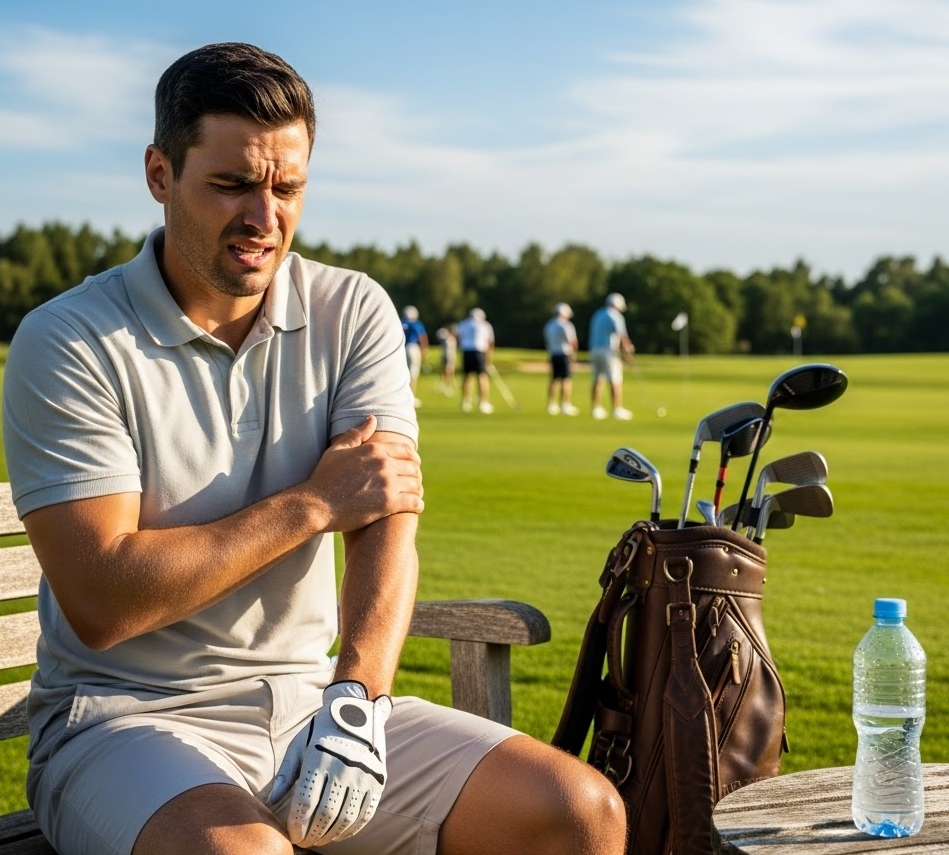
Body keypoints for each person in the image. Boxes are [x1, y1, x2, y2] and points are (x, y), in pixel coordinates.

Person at [1, 43, 625, 855]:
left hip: (313, 705)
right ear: (160, 174)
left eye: (287, 187)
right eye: (230, 185)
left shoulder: (352, 306)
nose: (265, 219)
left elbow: (387, 514)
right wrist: (313, 502)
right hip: (122, 721)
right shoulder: (70, 339)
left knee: (579, 812)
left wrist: (357, 697)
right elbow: (105, 600)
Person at [589, 292, 635, 420]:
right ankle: (617, 409)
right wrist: (628, 351)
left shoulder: (598, 314)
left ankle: (596, 408)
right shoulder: (616, 316)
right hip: (609, 351)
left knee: (598, 379)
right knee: (615, 380)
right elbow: (622, 336)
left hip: (595, 350)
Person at [542, 302, 580, 416]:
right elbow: (572, 341)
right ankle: (565, 405)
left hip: (553, 354)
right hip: (564, 354)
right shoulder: (566, 325)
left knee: (554, 379)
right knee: (566, 380)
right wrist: (575, 353)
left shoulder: (549, 325)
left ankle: (551, 404)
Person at [456, 307, 496, 414]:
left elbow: (458, 338)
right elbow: (490, 343)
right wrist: (489, 359)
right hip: (479, 352)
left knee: (467, 377)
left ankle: (466, 402)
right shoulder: (485, 325)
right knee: (482, 377)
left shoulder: (463, 324)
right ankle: (483, 403)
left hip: (466, 351)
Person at [400, 305, 428, 407]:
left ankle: (403, 397)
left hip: (402, 349)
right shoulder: (416, 324)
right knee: (413, 374)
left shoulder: (400, 322)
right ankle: (410, 398)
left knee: (403, 374)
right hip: (413, 348)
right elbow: (422, 337)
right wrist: (425, 350)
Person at [435, 323, 458, 396]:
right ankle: (444, 383)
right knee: (444, 369)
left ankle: (449, 384)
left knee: (449, 370)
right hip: (445, 356)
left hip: (450, 356)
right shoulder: (447, 338)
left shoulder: (451, 339)